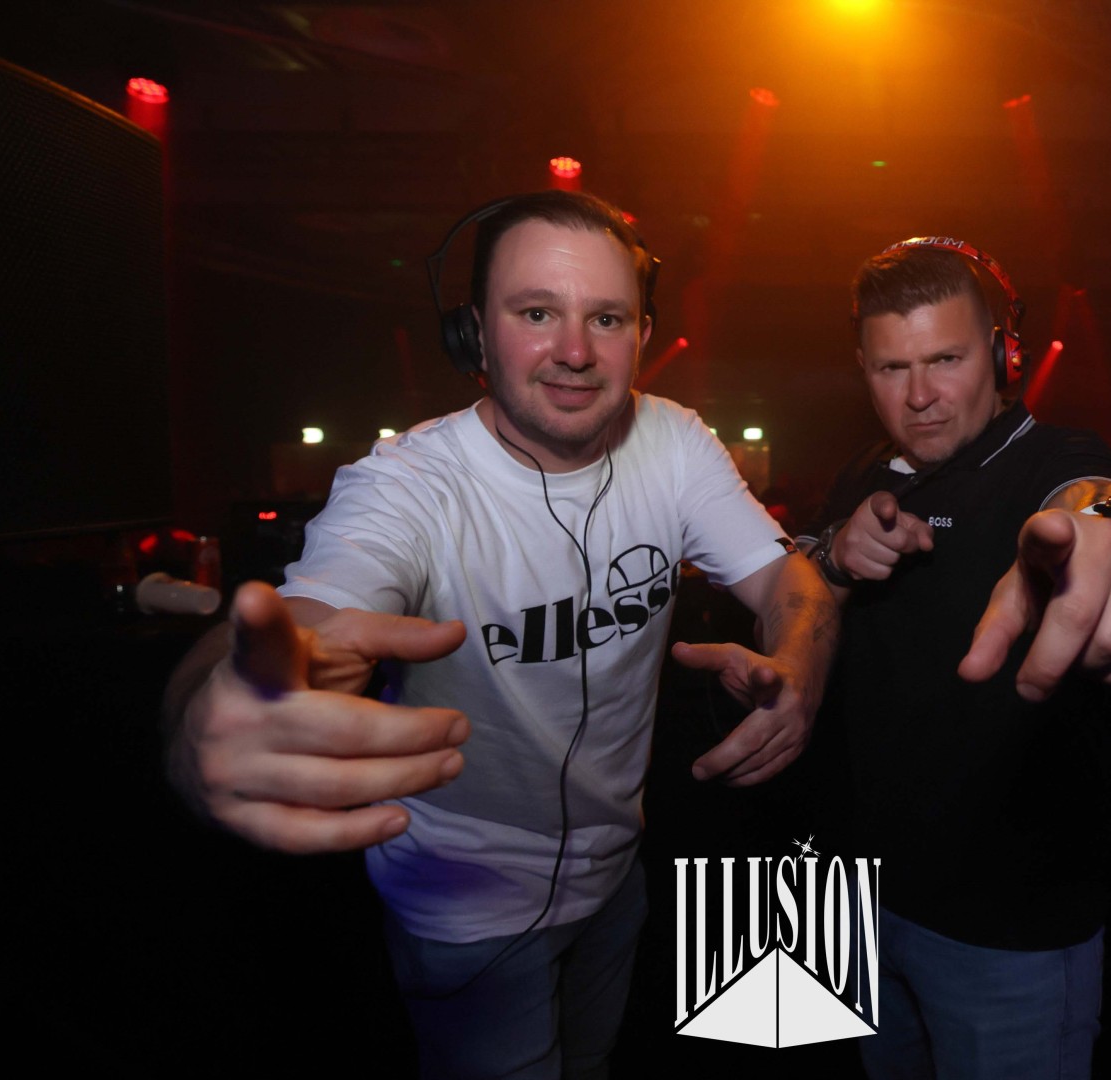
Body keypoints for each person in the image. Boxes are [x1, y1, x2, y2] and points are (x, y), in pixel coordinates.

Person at [162, 190, 838, 1079]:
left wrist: (799, 668)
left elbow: (790, 582)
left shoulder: (674, 442)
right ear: (474, 335)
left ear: (641, 334)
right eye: (536, 313)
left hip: (617, 873)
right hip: (463, 905)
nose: (574, 351)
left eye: (605, 318)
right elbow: (310, 615)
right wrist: (207, 712)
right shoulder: (405, 484)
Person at [800, 238, 1111, 1079]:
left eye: (946, 359)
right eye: (892, 368)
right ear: (862, 370)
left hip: (1007, 927)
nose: (920, 395)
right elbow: (801, 577)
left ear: (1004, 354)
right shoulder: (862, 473)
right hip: (864, 899)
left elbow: (1096, 501)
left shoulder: (1051, 460)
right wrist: (832, 551)